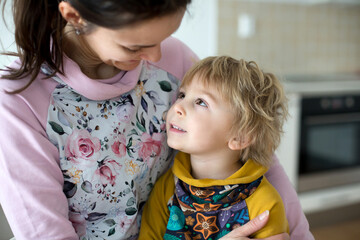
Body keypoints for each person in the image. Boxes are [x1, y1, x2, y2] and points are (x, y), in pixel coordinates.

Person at [0, 0, 313, 239]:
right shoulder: (18, 100)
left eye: (165, 37)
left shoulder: (174, 59)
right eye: (134, 46)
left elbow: (257, 155)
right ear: (74, 16)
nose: (154, 57)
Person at [139, 56, 289, 239]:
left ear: (240, 137)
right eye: (182, 95)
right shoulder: (167, 189)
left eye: (201, 102)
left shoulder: (264, 204)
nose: (178, 107)